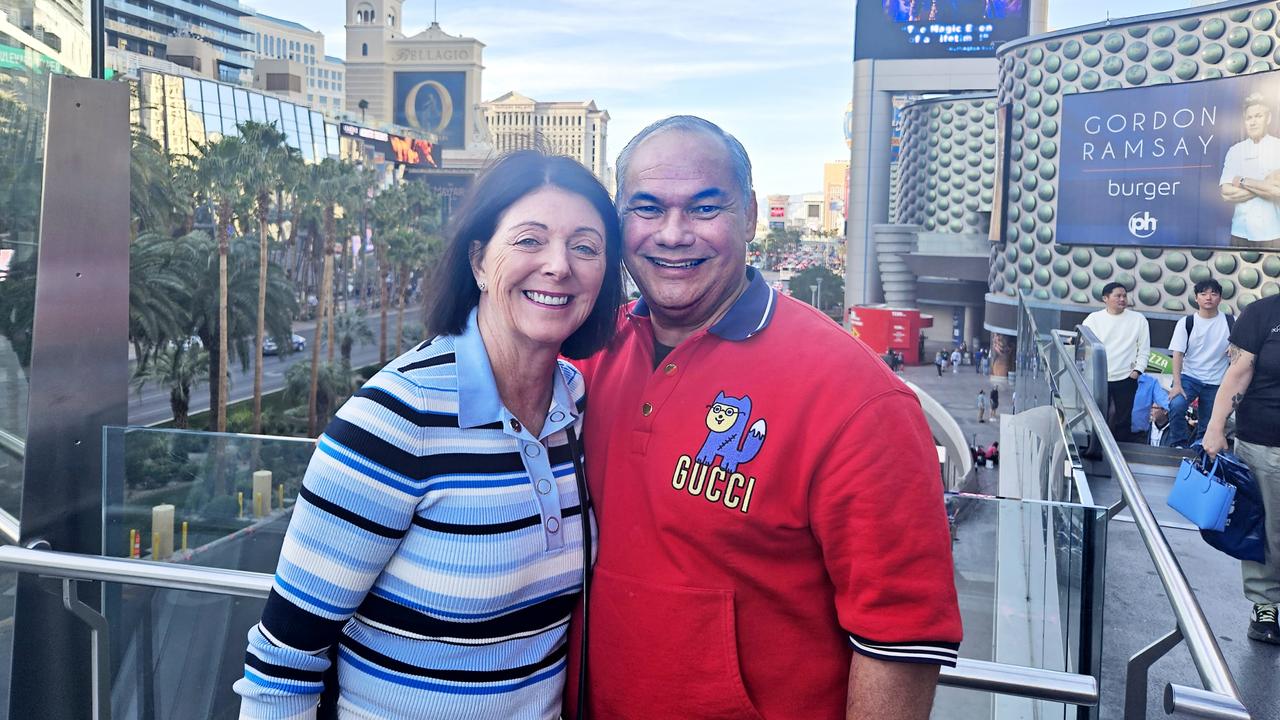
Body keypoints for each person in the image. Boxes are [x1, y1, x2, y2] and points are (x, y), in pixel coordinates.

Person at [566, 116, 961, 720]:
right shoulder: (585, 361)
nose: (673, 234)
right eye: (646, 208)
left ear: (749, 216)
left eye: (704, 208)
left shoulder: (857, 399)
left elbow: (901, 642)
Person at [234, 150, 624, 718]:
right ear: (478, 261)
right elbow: (283, 662)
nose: (559, 266)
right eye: (529, 240)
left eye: (585, 246)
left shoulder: (576, 405)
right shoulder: (397, 420)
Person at [1203, 291, 1280, 645]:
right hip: (1267, 441)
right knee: (1270, 528)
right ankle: (1266, 604)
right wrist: (1216, 426)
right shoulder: (1263, 313)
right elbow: (1239, 372)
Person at [1082, 282, 1151, 443]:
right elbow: (1083, 342)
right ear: (1105, 298)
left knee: (1123, 420)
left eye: (1124, 296)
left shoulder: (1138, 320)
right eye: (1117, 296)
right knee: (1098, 416)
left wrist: (1137, 371)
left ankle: (1121, 453)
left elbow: (1144, 349)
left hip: (1126, 377)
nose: (1122, 299)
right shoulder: (1094, 319)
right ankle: (1095, 448)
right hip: (1099, 377)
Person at [1168, 279, 1234, 447]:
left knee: (1209, 423)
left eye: (1213, 294)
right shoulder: (1186, 322)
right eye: (1203, 294)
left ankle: (1200, 451)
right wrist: (1177, 384)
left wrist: (1235, 346)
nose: (1208, 298)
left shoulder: (1231, 321)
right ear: (1196, 298)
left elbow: (1244, 345)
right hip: (1190, 377)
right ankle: (1178, 444)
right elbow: (1178, 354)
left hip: (1217, 381)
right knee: (1176, 406)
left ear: (1220, 298)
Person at [1220, 93, 1280, 245]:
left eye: (1258, 116)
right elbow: (1226, 193)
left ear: (1269, 119)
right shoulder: (1235, 150)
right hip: (1240, 233)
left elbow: (1277, 192)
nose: (1253, 122)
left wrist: (1241, 180)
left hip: (1274, 233)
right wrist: (1265, 185)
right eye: (1249, 118)